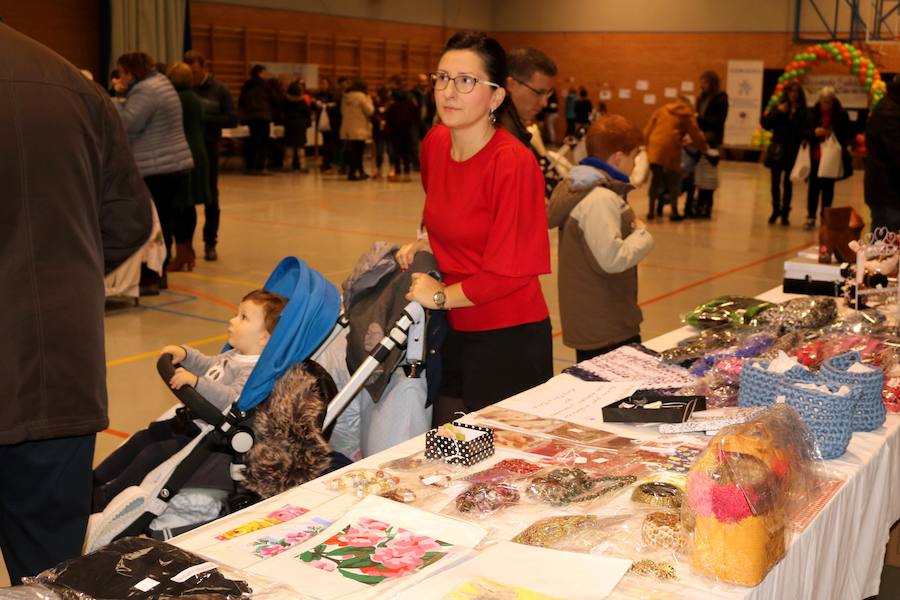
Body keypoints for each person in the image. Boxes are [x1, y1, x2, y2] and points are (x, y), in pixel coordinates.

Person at [0, 23, 152, 583]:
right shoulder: (71, 83)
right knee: (52, 572)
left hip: (48, 376)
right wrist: (61, 277)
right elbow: (129, 221)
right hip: (58, 370)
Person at [396, 32, 552, 424]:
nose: (449, 91)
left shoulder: (513, 163)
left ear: (496, 96)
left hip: (508, 338)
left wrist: (440, 297)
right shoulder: (434, 143)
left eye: (466, 81)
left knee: (504, 469)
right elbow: (456, 212)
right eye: (442, 78)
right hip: (454, 330)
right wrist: (429, 241)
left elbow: (508, 273)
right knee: (449, 456)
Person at [92, 289, 286, 511]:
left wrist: (196, 383)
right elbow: (208, 365)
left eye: (243, 317)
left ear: (264, 338)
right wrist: (185, 355)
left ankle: (103, 500)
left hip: (203, 437)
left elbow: (231, 398)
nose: (232, 321)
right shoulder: (234, 355)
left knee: (152, 454)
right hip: (186, 422)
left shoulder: (253, 370)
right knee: (140, 440)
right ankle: (91, 482)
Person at [547, 115, 653, 362]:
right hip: (606, 327)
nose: (636, 164)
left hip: (598, 319)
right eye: (634, 157)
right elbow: (611, 259)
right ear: (618, 157)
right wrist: (642, 235)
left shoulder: (583, 187)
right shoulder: (599, 199)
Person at [113, 52, 194, 275]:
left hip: (158, 166)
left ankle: (156, 273)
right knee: (166, 219)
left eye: (121, 73)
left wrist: (115, 98)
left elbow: (127, 123)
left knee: (157, 223)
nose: (120, 78)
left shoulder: (146, 90)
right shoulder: (160, 82)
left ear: (131, 72)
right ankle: (162, 268)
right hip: (172, 162)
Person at [183, 51, 238, 262]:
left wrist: (202, 116)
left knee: (211, 199)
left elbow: (232, 119)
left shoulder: (219, 89)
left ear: (203, 67)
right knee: (186, 201)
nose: (192, 76)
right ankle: (186, 246)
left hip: (209, 149)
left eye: (195, 72)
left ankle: (210, 243)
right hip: (185, 151)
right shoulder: (184, 88)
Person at [166, 62, 211, 272]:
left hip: (182, 154)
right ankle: (188, 251)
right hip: (198, 151)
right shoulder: (195, 99)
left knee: (178, 206)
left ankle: (182, 253)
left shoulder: (175, 100)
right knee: (189, 205)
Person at [643, 97, 708, 221]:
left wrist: (646, 145)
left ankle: (651, 212)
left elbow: (648, 128)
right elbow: (695, 134)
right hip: (672, 149)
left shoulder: (662, 110)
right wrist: (703, 146)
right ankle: (674, 213)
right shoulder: (686, 115)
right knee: (674, 181)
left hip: (655, 147)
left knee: (655, 181)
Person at [804, 87, 852, 230]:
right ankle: (810, 216)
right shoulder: (812, 113)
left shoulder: (841, 114)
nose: (826, 104)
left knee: (828, 189)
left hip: (831, 157)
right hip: (815, 156)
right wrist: (814, 132)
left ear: (833, 101)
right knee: (813, 188)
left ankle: (825, 217)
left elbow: (847, 134)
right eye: (824, 101)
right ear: (819, 100)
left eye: (829, 102)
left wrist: (831, 133)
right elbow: (803, 131)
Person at [761, 82, 808, 226]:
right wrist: (779, 112)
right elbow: (766, 124)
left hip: (793, 151)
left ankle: (785, 212)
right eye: (791, 91)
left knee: (788, 183)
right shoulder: (779, 107)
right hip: (778, 150)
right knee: (775, 182)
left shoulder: (803, 110)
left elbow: (805, 128)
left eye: (796, 91)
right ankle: (775, 209)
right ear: (787, 94)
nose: (793, 94)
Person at [501, 47, 558, 147]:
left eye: (548, 93)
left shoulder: (511, 126)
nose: (544, 103)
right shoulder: (502, 137)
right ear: (511, 85)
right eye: (539, 92)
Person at [864, 75, 900, 232]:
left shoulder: (892, 106)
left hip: (890, 194)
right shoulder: (889, 112)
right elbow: (897, 153)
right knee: (884, 252)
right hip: (888, 196)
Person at [692, 70, 729, 218]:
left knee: (710, 176)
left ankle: (707, 206)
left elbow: (719, 120)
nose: (702, 85)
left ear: (712, 83)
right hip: (701, 139)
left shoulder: (721, 98)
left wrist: (699, 118)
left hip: (712, 141)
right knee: (700, 175)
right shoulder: (701, 98)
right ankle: (699, 204)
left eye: (705, 82)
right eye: (701, 82)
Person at [239, 64, 273, 174]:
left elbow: (241, 102)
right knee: (263, 142)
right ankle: (260, 166)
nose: (266, 75)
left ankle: (250, 166)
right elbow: (273, 100)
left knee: (251, 141)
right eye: (264, 72)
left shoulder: (247, 85)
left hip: (251, 117)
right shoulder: (265, 85)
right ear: (260, 73)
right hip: (263, 116)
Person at [340, 78, 375, 181]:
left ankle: (360, 171)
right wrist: (369, 99)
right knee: (358, 152)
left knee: (354, 151)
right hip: (359, 128)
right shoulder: (361, 97)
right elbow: (370, 111)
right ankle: (352, 173)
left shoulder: (346, 97)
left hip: (348, 127)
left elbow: (342, 111)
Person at [385, 82, 418, 182]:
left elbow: (388, 120)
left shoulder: (392, 107)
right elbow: (415, 117)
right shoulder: (410, 105)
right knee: (406, 153)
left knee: (396, 154)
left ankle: (398, 174)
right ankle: (407, 174)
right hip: (407, 132)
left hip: (395, 134)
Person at [283, 79, 312, 171]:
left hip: (289, 124)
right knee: (300, 146)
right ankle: (303, 165)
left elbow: (283, 111)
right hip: (300, 124)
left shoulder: (286, 101)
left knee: (289, 146)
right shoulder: (302, 101)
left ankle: (288, 165)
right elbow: (308, 113)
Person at [410, 72, 437, 169]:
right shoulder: (412, 93)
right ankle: (416, 164)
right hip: (415, 121)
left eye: (426, 81)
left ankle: (427, 163)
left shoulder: (430, 93)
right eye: (422, 81)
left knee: (428, 143)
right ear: (417, 82)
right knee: (414, 143)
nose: (424, 83)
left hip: (427, 121)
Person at [316, 77, 340, 172]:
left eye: (324, 84)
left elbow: (336, 106)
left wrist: (330, 106)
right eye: (321, 84)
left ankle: (329, 162)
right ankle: (325, 162)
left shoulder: (333, 94)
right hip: (323, 122)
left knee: (330, 143)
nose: (322, 86)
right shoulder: (318, 95)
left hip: (332, 122)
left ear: (329, 85)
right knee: (325, 143)